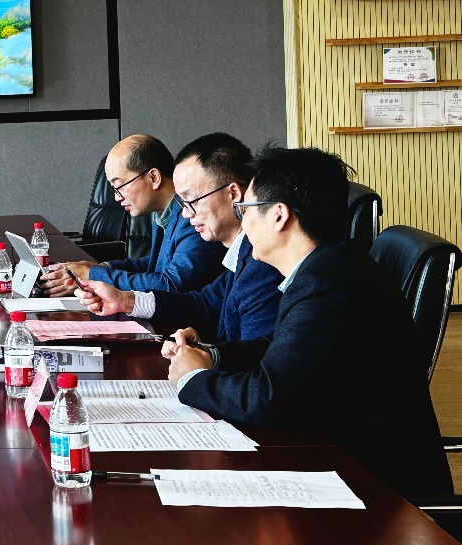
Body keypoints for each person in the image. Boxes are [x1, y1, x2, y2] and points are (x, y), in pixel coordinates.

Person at [167, 145, 452, 501]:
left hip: (377, 492)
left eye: (246, 209)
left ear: (279, 216)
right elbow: (281, 348)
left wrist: (193, 378)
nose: (243, 222)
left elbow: (267, 399)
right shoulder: (328, 266)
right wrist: (213, 355)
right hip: (343, 463)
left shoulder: (327, 287)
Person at [76, 133, 282, 341]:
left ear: (234, 194)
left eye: (192, 200)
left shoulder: (261, 264)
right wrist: (125, 300)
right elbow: (204, 302)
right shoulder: (242, 255)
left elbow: (257, 354)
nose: (185, 213)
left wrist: (210, 354)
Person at [42, 134, 224, 297]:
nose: (116, 197)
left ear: (154, 177)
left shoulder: (193, 218)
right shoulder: (164, 212)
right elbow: (155, 264)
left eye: (119, 186)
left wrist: (92, 275)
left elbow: (171, 285)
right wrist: (100, 268)